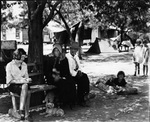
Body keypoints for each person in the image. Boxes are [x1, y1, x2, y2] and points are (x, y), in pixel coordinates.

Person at [6, 48, 32, 120]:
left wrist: (28, 79)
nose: (24, 58)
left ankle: (22, 111)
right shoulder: (10, 65)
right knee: (27, 90)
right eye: (23, 56)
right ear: (18, 56)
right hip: (13, 85)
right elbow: (9, 81)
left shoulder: (24, 65)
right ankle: (25, 113)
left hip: (23, 85)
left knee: (26, 87)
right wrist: (21, 81)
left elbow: (26, 77)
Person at [66, 42, 90, 107]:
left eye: (76, 50)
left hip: (76, 73)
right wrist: (76, 74)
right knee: (76, 81)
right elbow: (69, 69)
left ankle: (85, 95)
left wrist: (79, 72)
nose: (74, 51)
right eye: (73, 49)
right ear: (70, 49)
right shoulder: (67, 57)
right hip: (70, 75)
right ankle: (78, 99)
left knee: (84, 77)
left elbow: (79, 66)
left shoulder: (76, 57)